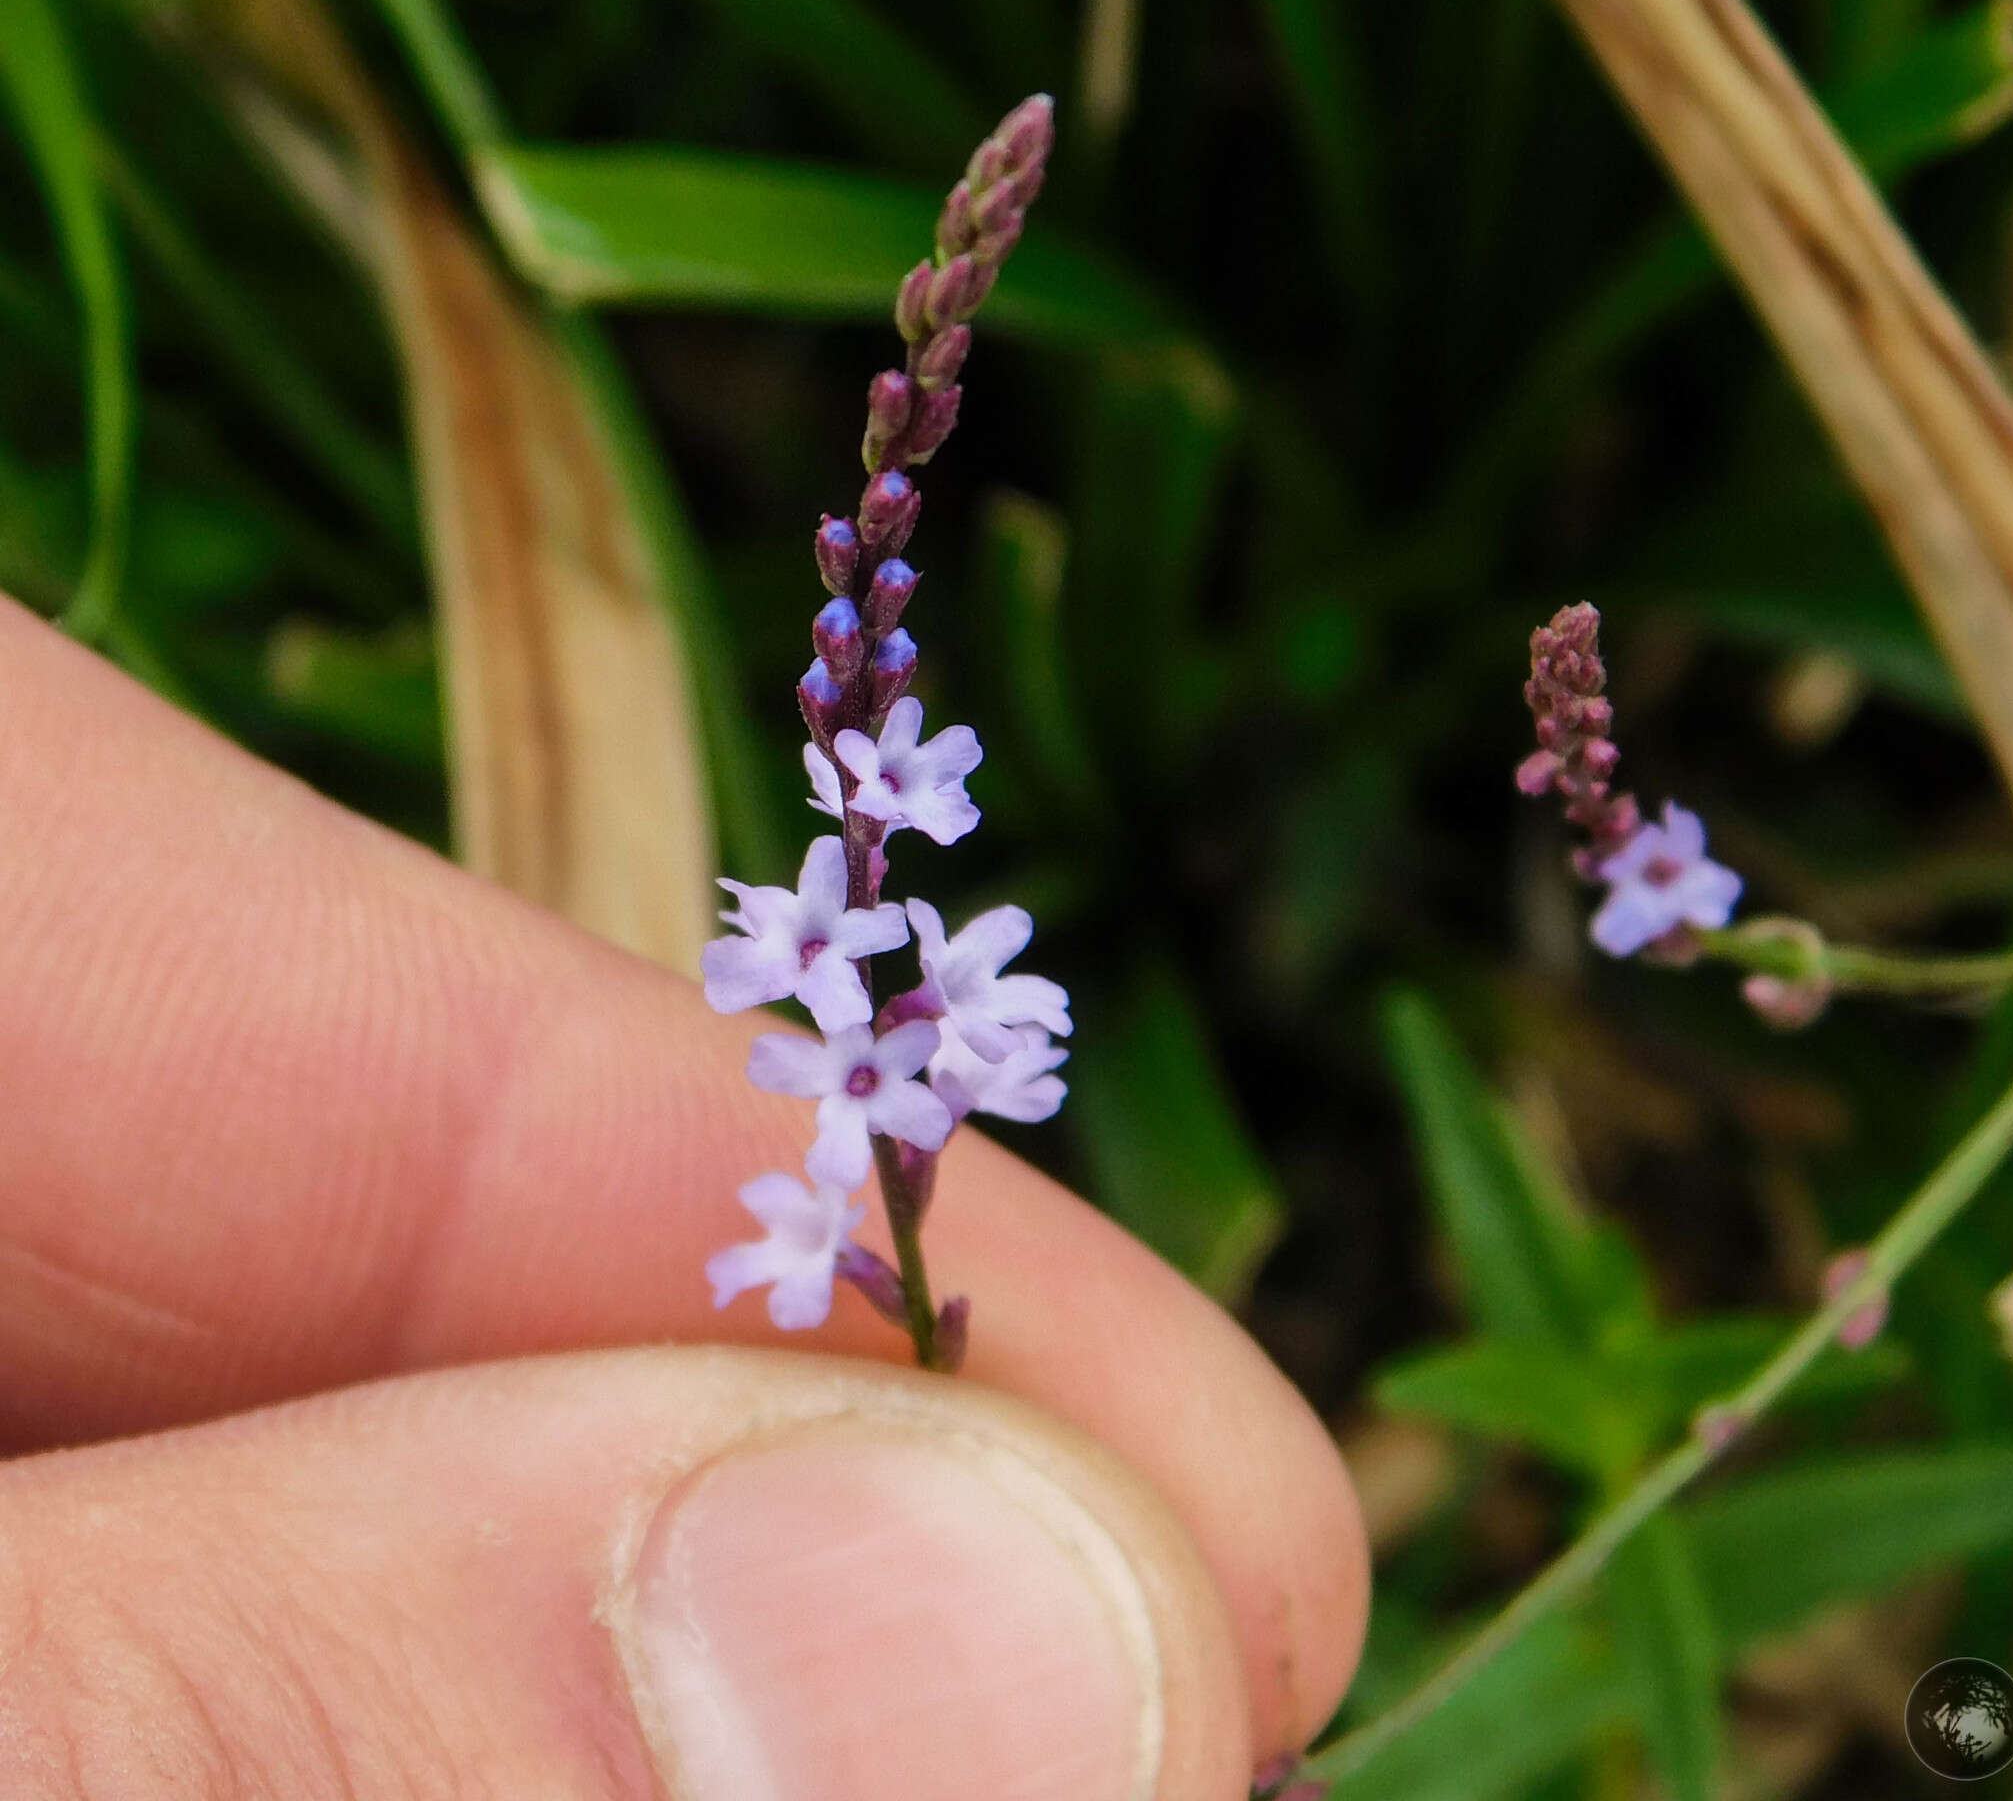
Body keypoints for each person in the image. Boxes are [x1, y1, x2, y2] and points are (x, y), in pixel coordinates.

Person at [0, 597, 1366, 1799]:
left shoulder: (887, 988)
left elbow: (889, 1004)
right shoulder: (841, 1024)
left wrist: (919, 1051)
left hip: (881, 1112)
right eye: (876, 786)